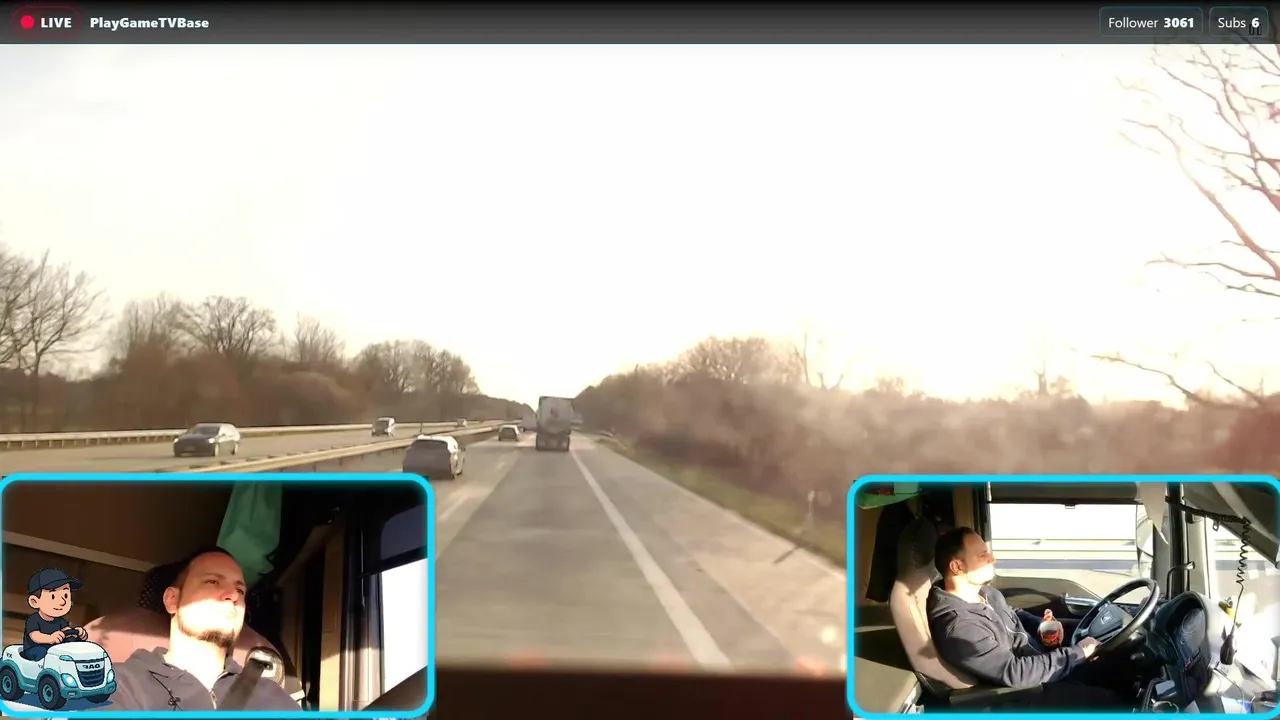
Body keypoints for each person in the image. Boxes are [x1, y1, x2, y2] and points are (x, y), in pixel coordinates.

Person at [925, 527, 1128, 709]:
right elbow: (1015, 672)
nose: (992, 559)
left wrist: (1041, 626)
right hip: (1024, 694)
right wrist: (1077, 652)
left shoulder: (984, 593)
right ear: (957, 567)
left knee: (1116, 670)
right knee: (1112, 703)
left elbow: (1012, 613)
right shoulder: (960, 627)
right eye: (983, 555)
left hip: (1037, 661)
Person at [105, 547, 299, 711]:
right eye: (213, 582)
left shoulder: (274, 698)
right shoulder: (120, 686)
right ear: (172, 600)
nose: (233, 595)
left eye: (240, 590)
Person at [22, 568, 90, 661]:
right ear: (35, 602)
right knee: (43, 652)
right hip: (35, 648)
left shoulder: (61, 621)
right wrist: (50, 638)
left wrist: (77, 633)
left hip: (54, 650)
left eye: (65, 596)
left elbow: (66, 630)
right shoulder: (34, 620)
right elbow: (35, 636)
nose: (62, 602)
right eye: (53, 596)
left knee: (71, 643)